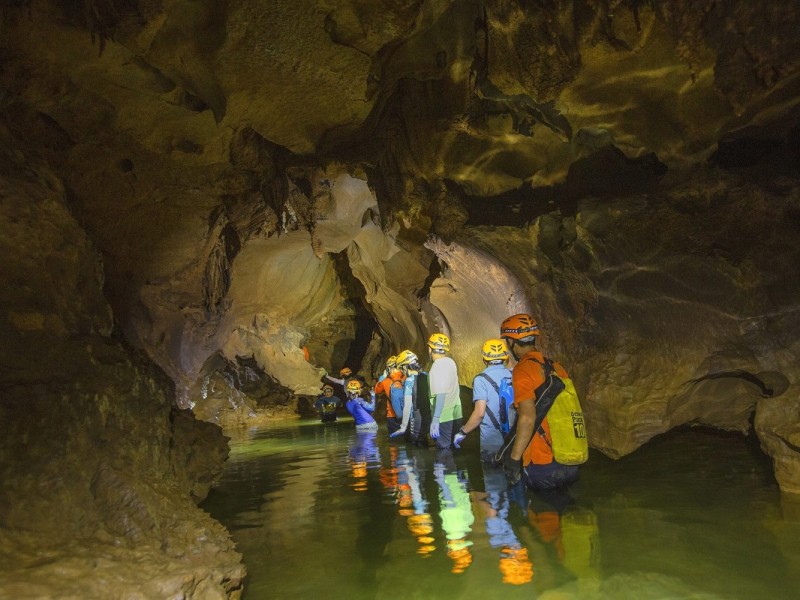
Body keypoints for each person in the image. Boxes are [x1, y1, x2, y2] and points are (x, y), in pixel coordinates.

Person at [499, 313, 580, 490]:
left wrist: (514, 458)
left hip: (542, 461)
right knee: (565, 510)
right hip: (568, 456)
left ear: (512, 342)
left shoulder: (523, 369)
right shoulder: (556, 367)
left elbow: (528, 417)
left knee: (542, 515)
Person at [453, 339, 514, 462]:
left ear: (484, 359)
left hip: (492, 441)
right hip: (514, 439)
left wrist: (463, 432)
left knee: (492, 478)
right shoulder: (514, 375)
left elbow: (479, 413)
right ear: (505, 357)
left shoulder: (481, 380)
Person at [426, 333, 463, 450]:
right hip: (456, 414)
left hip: (443, 416)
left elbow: (441, 393)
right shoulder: (450, 362)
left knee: (444, 452)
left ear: (430, 349)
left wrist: (436, 419)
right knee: (454, 449)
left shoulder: (438, 366)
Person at [388, 350, 426, 444]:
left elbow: (407, 406)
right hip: (427, 416)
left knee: (416, 443)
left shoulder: (409, 381)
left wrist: (403, 427)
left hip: (415, 415)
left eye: (401, 368)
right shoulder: (426, 375)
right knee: (424, 439)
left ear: (405, 366)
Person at [374, 356, 405, 434]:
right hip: (407, 414)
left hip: (392, 415)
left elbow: (377, 391)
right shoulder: (406, 377)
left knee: (395, 441)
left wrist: (382, 377)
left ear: (388, 368)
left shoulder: (385, 381)